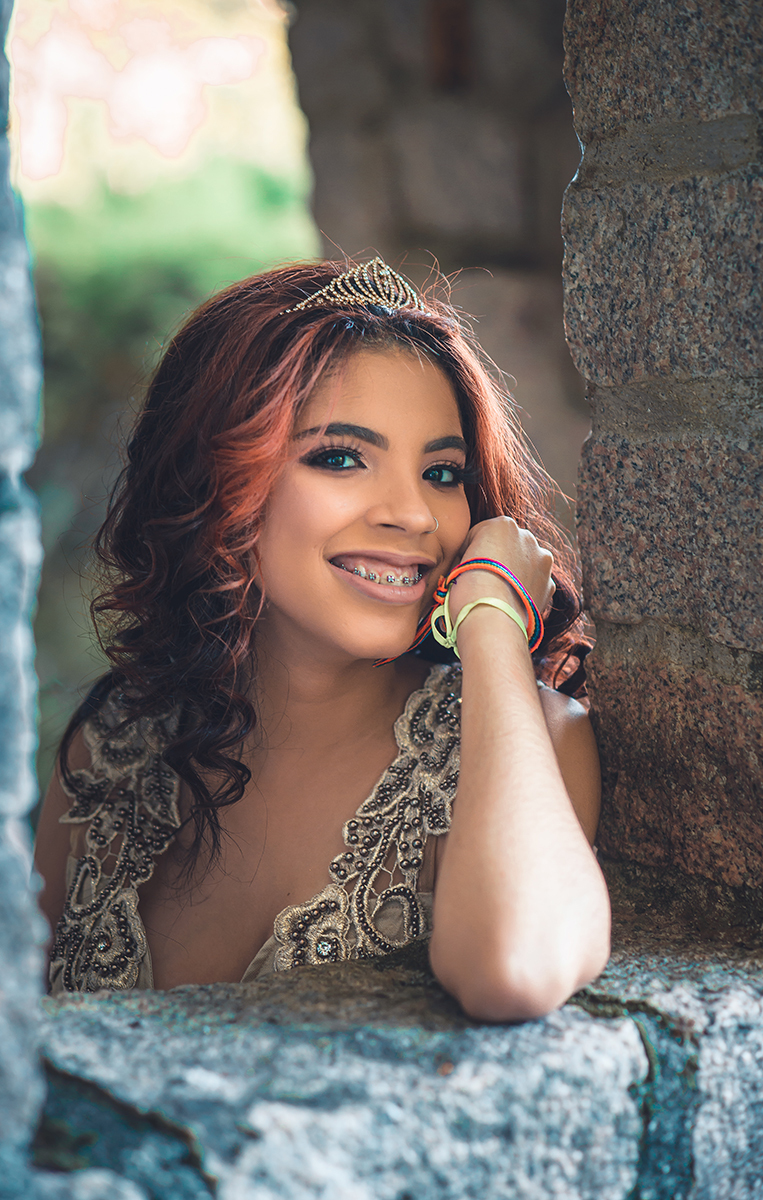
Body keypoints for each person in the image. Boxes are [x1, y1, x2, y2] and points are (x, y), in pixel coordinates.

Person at [34, 257, 610, 1020]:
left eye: (442, 473)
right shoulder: (112, 744)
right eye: (340, 458)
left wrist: (493, 621)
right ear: (217, 479)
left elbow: (514, 970)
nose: (413, 514)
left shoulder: (532, 738)